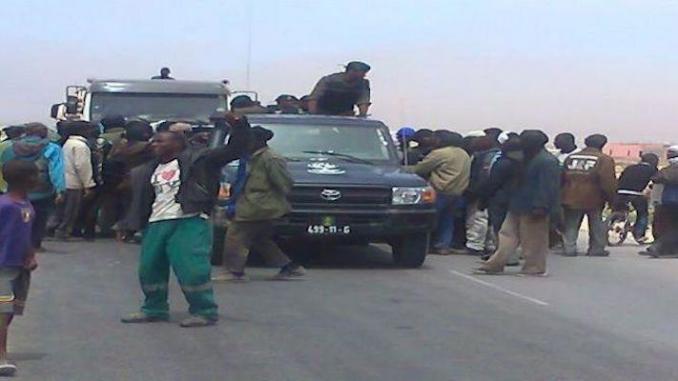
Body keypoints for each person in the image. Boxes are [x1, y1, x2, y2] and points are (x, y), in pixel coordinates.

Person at [120, 112, 250, 328]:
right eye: (153, 140)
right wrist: (129, 224)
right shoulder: (149, 168)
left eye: (161, 141)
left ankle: (204, 311)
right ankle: (154, 308)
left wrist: (239, 124)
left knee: (191, 269)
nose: (154, 144)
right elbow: (140, 199)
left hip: (189, 220)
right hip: (157, 222)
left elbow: (235, 150)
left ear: (178, 143)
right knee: (149, 269)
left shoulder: (200, 160)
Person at [214, 126, 305, 281]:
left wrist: (274, 202)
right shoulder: (250, 157)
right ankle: (288, 266)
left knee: (236, 235)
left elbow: (284, 183)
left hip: (260, 206)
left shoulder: (270, 158)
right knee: (259, 239)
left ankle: (234, 271)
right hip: (249, 203)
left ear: (257, 141)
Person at [475, 130, 560, 276]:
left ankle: (534, 268)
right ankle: (495, 264)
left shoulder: (548, 161)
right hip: (517, 204)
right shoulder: (526, 158)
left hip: (534, 207)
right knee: (506, 235)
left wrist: (541, 206)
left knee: (533, 241)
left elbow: (548, 187)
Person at [0, 160, 39, 376]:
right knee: (2, 311)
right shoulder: (5, 206)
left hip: (19, 266)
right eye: (36, 174)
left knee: (11, 310)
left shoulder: (25, 204)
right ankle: (1, 355)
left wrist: (30, 254)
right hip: (3, 266)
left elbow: (25, 234)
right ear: (28, 179)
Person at [0, 123, 65, 251]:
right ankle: (35, 244)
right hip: (42, 189)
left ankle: (16, 242)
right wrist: (60, 189)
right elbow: (56, 170)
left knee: (15, 216)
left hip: (15, 189)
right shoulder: (52, 148)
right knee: (40, 217)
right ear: (44, 133)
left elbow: (4, 167)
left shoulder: (10, 147)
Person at [410, 130, 471, 255]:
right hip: (457, 192)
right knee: (448, 221)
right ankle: (443, 246)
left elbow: (420, 169)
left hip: (439, 191)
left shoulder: (440, 153)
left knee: (428, 219)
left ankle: (425, 245)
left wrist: (403, 168)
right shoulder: (464, 154)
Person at [561, 134, 617, 257]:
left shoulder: (571, 157)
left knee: (571, 223)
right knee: (596, 223)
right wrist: (611, 199)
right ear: (602, 144)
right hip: (594, 197)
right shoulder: (604, 159)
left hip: (570, 195)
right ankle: (596, 248)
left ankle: (569, 248)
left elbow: (562, 177)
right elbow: (607, 181)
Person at [101, 120, 155, 240]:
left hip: (119, 183)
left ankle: (121, 228)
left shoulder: (117, 148)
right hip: (141, 182)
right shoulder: (151, 149)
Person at [477, 136, 524, 265]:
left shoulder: (502, 163)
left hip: (500, 200)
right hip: (516, 200)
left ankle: (504, 256)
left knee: (500, 230)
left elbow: (493, 183)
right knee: (514, 230)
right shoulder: (524, 163)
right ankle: (511, 255)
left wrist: (483, 200)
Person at [54, 121, 96, 240]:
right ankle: (63, 232)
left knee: (64, 209)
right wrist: (88, 184)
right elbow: (82, 166)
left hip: (65, 181)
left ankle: (59, 230)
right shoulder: (80, 146)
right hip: (74, 183)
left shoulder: (68, 143)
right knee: (71, 210)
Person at [464, 134, 501, 256]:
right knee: (490, 220)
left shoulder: (482, 157)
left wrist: (474, 191)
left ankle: (475, 245)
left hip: (481, 191)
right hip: (495, 192)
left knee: (478, 218)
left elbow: (480, 176)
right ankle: (490, 244)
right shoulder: (497, 155)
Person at [613, 153, 659, 243]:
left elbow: (620, 179)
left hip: (620, 192)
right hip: (636, 194)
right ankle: (639, 234)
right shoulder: (652, 169)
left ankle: (613, 222)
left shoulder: (630, 167)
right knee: (643, 213)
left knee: (619, 209)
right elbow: (654, 182)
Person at [645, 146, 678, 257]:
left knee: (668, 226)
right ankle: (658, 246)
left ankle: (666, 248)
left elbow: (655, 179)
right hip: (673, 202)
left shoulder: (665, 171)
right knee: (674, 228)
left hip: (666, 201)